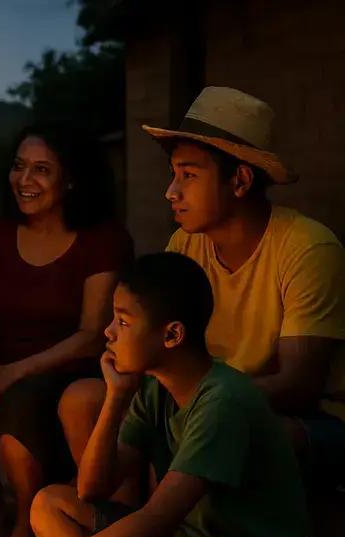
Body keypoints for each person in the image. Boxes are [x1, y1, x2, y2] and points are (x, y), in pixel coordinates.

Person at [58, 86, 345, 489]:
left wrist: (192, 405)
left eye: (189, 175)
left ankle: (166, 530)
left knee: (224, 427)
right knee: (83, 400)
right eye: (174, 175)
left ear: (241, 180)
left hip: (300, 418)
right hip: (199, 398)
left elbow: (298, 386)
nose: (171, 191)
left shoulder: (306, 247)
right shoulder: (186, 244)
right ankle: (124, 518)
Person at [28, 253, 310, 537]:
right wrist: (116, 397)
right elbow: (92, 488)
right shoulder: (155, 387)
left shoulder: (222, 402)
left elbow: (157, 519)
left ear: (172, 335)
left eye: (124, 321)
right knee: (49, 506)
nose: (109, 331)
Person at [0, 126, 132, 537]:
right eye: (19, 166)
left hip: (71, 369)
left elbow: (91, 333)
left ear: (70, 180)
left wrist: (9, 374)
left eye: (41, 170)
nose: (24, 180)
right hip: (2, 368)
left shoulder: (102, 240)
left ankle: (27, 523)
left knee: (20, 405)